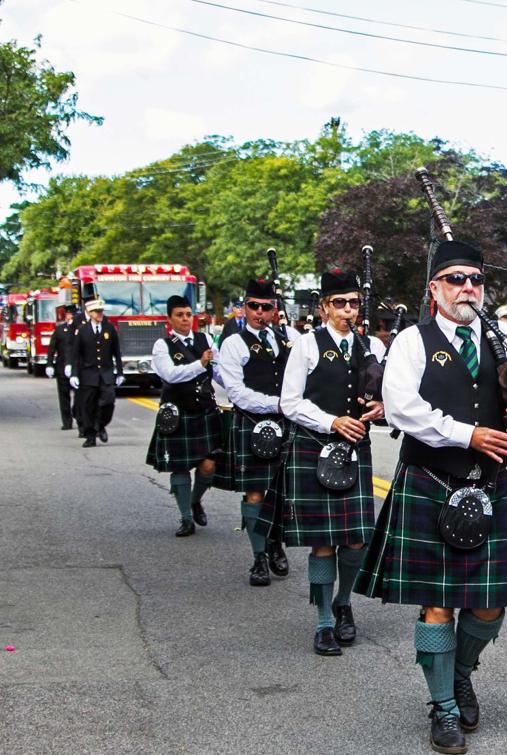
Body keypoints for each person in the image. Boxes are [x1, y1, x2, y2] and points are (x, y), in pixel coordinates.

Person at [356, 240, 507, 755]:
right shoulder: (413, 340)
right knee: (437, 606)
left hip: (488, 485)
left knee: (490, 607)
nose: (467, 287)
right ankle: (443, 707)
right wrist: (466, 433)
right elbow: (401, 408)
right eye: (454, 278)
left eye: (474, 278)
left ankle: (461, 674)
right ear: (434, 289)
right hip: (431, 479)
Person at [254, 268, 386, 656]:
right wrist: (332, 421)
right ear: (325, 307)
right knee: (323, 543)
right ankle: (324, 622)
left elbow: (387, 395)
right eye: (340, 304)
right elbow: (289, 402)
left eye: (354, 304)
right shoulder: (307, 346)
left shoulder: (370, 348)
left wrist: (381, 407)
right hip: (314, 446)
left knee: (357, 540)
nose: (348, 311)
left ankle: (344, 602)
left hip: (354, 450)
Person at [218, 278, 299, 585]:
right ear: (244, 307)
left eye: (266, 307)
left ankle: (275, 543)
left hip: (287, 425)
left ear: (274, 309)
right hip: (252, 425)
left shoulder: (289, 337)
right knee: (255, 493)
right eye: (253, 306)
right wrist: (278, 404)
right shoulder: (234, 343)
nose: (259, 313)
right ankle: (259, 557)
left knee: (281, 492)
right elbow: (236, 393)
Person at [145, 296, 223, 537]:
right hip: (178, 413)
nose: (185, 319)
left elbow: (219, 373)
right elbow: (170, 375)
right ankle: (186, 519)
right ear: (170, 319)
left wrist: (240, 392)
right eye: (180, 315)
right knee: (179, 468)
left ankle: (193, 500)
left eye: (188, 314)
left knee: (209, 466)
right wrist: (200, 364)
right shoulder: (162, 345)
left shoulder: (205, 339)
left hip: (205, 411)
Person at [71, 298, 123, 448]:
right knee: (88, 406)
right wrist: (74, 374)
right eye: (97, 312)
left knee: (108, 402)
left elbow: (116, 353)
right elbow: (76, 355)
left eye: (101, 311)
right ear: (89, 312)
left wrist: (119, 372)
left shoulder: (109, 329)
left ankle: (100, 425)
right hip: (88, 374)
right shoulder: (82, 330)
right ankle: (90, 436)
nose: (100, 314)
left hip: (106, 374)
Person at [46, 304, 77, 431]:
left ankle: (79, 417)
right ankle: (67, 422)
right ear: (66, 315)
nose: (71, 317)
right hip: (61, 367)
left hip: (77, 369)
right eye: (70, 314)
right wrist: (49, 364)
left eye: (74, 315)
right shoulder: (60, 330)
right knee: (64, 397)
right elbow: (52, 348)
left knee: (80, 398)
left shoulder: (81, 329)